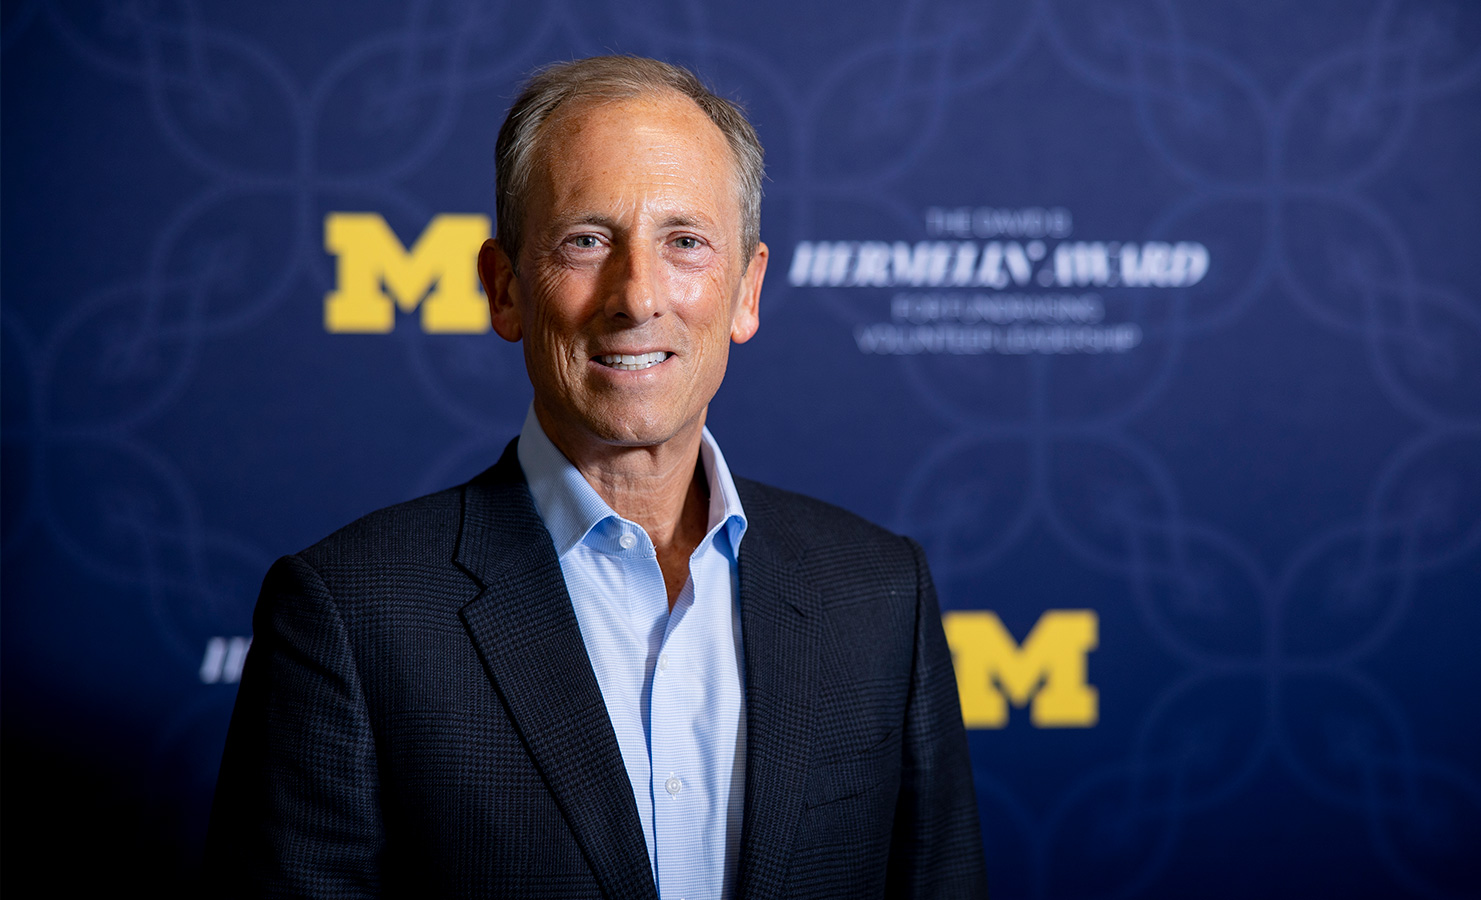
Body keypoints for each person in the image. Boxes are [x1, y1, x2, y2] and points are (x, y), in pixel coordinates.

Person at [205, 55, 986, 899]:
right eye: (586, 241)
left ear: (747, 292)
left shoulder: (879, 593)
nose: (637, 295)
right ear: (504, 290)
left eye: (684, 242)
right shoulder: (351, 616)